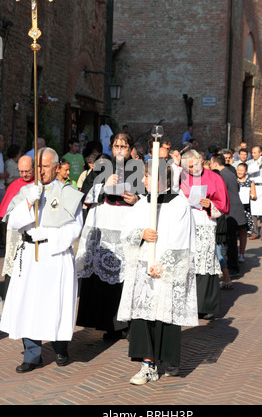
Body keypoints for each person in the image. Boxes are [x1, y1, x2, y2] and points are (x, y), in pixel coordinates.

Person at [0, 147, 83, 373]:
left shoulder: (68, 192)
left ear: (56, 167)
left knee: (55, 303)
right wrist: (28, 202)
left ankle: (60, 348)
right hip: (30, 256)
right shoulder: (26, 190)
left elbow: (75, 228)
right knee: (29, 303)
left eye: (45, 166)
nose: (41, 170)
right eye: (38, 166)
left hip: (55, 255)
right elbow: (14, 222)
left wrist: (48, 236)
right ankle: (32, 354)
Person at [117, 160, 198, 384]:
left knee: (165, 316)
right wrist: (141, 233)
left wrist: (163, 265)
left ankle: (169, 359)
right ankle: (147, 365)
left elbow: (183, 240)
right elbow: (126, 231)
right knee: (143, 317)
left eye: (147, 176)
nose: (143, 181)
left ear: (161, 179)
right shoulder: (144, 203)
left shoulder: (179, 205)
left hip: (165, 271)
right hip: (143, 269)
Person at [75, 132, 143, 340]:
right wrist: (103, 185)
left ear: (130, 148)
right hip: (105, 225)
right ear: (111, 148)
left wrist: (137, 199)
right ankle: (110, 324)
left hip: (127, 224)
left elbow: (150, 196)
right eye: (116, 146)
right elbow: (83, 194)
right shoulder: (103, 166)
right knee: (104, 275)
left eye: (123, 146)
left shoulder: (138, 169)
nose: (120, 150)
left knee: (129, 273)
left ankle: (130, 324)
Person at [173, 149, 230, 319]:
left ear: (202, 161)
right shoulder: (180, 175)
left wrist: (209, 204)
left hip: (204, 221)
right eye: (188, 167)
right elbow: (170, 190)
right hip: (184, 222)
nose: (192, 170)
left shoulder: (214, 178)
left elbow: (223, 205)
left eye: (195, 165)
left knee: (204, 261)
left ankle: (204, 306)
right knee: (186, 261)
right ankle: (183, 304)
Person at [0, 155, 35, 303]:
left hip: (32, 233)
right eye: (21, 171)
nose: (24, 175)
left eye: (27, 171)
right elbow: (5, 215)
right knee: (12, 265)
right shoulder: (14, 185)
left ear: (34, 169)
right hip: (15, 234)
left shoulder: (39, 185)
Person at [210, 154, 247, 276]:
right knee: (230, 240)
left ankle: (232, 268)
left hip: (231, 211)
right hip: (234, 209)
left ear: (215, 164)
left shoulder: (222, 175)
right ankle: (231, 265)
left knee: (230, 240)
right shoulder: (230, 172)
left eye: (211, 163)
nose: (210, 166)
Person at [236, 163, 257, 260]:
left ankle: (241, 254)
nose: (239, 172)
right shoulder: (234, 181)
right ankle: (233, 253)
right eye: (238, 170)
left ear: (246, 171)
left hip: (245, 210)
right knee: (233, 233)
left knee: (243, 233)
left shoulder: (250, 182)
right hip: (235, 208)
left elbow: (254, 196)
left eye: (241, 170)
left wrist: (250, 196)